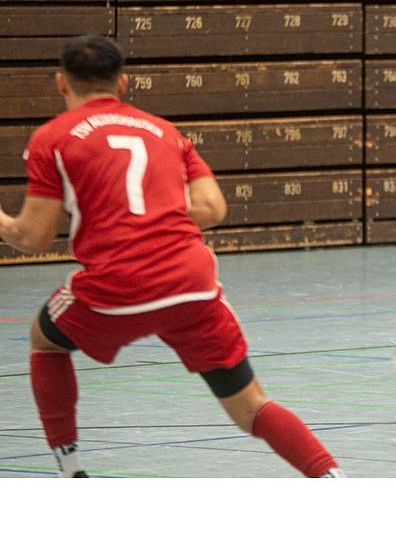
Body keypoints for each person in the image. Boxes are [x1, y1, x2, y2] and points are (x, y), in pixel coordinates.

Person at [0, 35, 344, 478]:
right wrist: (155, 211)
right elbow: (213, 208)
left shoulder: (53, 137)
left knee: (45, 340)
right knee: (250, 406)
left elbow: (32, 237)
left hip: (119, 285)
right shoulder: (165, 131)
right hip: (191, 283)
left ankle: (71, 471)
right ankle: (333, 479)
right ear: (123, 83)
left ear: (61, 83)